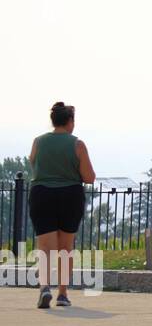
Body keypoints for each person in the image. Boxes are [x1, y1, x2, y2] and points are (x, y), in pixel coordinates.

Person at [28, 102, 95, 309]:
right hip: (70, 195)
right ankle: (63, 294)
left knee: (46, 247)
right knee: (66, 247)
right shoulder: (78, 144)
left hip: (42, 194)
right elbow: (89, 177)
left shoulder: (38, 142)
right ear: (70, 121)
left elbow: (33, 163)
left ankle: (44, 288)